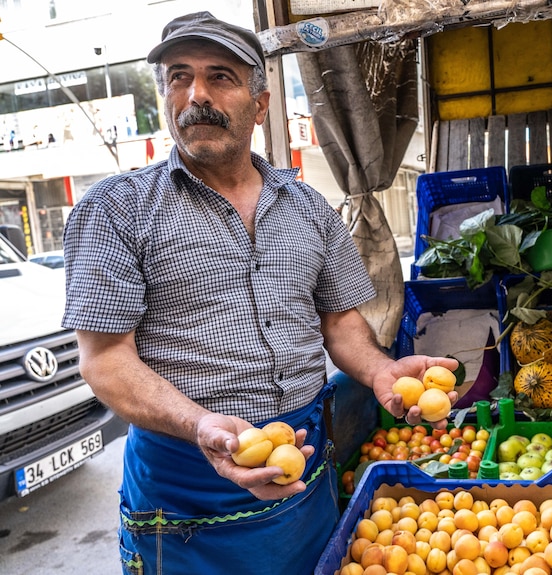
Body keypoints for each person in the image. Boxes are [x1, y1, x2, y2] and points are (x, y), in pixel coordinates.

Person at [62, 11, 459, 575]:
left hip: (302, 469)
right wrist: (202, 426)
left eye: (220, 76)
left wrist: (377, 371)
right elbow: (104, 360)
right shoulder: (115, 210)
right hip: (185, 491)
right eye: (179, 76)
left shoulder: (310, 208)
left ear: (260, 103)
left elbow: (342, 325)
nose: (195, 93)